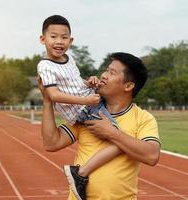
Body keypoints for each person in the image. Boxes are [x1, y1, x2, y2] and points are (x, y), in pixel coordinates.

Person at [38, 52, 161, 200]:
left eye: (112, 73)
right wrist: (47, 101)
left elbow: (152, 155)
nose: (104, 75)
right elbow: (51, 143)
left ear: (128, 86)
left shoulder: (143, 118)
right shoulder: (86, 110)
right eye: (106, 70)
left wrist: (112, 133)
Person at [37, 15, 124, 199]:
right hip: (84, 110)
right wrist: (87, 102)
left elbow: (76, 84)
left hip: (90, 102)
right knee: (121, 141)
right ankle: (80, 174)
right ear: (42, 39)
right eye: (53, 37)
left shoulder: (69, 59)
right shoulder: (45, 66)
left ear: (71, 40)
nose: (59, 41)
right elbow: (53, 95)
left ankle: (82, 173)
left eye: (64, 37)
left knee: (119, 139)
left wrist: (89, 82)